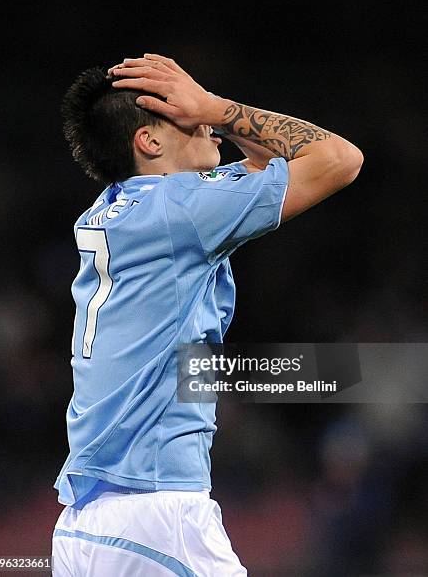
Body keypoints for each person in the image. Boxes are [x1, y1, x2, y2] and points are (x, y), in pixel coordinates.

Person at [51, 53, 363, 576]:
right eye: (190, 122)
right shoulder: (182, 210)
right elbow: (340, 159)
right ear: (148, 142)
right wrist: (217, 106)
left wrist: (204, 112)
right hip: (155, 514)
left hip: (88, 520)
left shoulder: (117, 208)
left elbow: (264, 166)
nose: (213, 132)